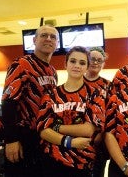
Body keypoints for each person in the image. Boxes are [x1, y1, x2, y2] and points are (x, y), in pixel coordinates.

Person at [0, 24, 59, 177]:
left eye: (53, 37)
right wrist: (11, 139)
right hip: (22, 137)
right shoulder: (21, 65)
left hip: (43, 137)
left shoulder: (52, 71)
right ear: (34, 40)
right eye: (44, 35)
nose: (48, 39)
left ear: (57, 43)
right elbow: (8, 103)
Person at [37, 46, 105, 177]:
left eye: (82, 63)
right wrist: (70, 142)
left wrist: (55, 127)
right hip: (51, 161)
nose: (77, 66)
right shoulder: (51, 95)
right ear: (65, 64)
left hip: (81, 162)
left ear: (86, 67)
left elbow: (88, 130)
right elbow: (43, 130)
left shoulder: (95, 94)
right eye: (73, 61)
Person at [84, 46, 110, 177]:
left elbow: (112, 114)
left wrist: (102, 133)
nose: (95, 62)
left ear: (103, 64)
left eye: (99, 60)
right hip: (78, 139)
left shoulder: (109, 86)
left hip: (100, 141)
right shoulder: (77, 81)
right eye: (92, 59)